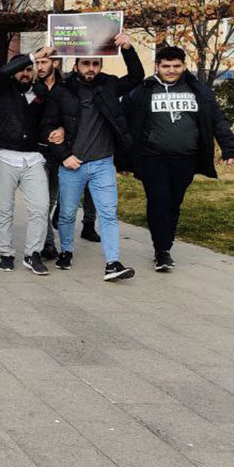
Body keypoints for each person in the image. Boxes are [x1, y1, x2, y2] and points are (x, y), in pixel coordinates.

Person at [123, 45, 234, 272]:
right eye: (166, 66)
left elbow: (217, 119)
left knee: (174, 203)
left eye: (176, 66)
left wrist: (229, 148)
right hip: (153, 157)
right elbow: (125, 121)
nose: (171, 70)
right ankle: (162, 251)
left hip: (185, 158)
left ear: (184, 66)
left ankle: (166, 245)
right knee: (159, 200)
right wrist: (123, 158)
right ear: (157, 66)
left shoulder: (199, 91)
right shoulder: (144, 90)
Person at [41, 33, 144, 282]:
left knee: (108, 214)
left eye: (95, 64)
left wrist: (128, 48)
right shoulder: (62, 91)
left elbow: (136, 78)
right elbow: (47, 126)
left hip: (102, 163)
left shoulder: (109, 84)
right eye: (86, 64)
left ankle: (113, 262)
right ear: (76, 66)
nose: (91, 68)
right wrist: (64, 156)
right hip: (72, 164)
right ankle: (66, 251)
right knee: (66, 214)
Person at [0, 50, 55, 276]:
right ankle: (6, 253)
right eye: (21, 70)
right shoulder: (0, 88)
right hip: (5, 155)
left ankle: (33, 253)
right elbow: (1, 73)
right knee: (4, 209)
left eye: (29, 69)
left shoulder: (41, 91)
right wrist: (30, 57)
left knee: (40, 206)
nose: (25, 73)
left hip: (33, 157)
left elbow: (49, 118)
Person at [35, 51, 96, 258]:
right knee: (42, 201)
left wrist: (62, 128)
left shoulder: (68, 86)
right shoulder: (32, 89)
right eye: (37, 62)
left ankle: (50, 233)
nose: (40, 67)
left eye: (44, 62)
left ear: (56, 62)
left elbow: (74, 116)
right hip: (39, 152)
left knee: (52, 200)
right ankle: (48, 243)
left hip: (61, 152)